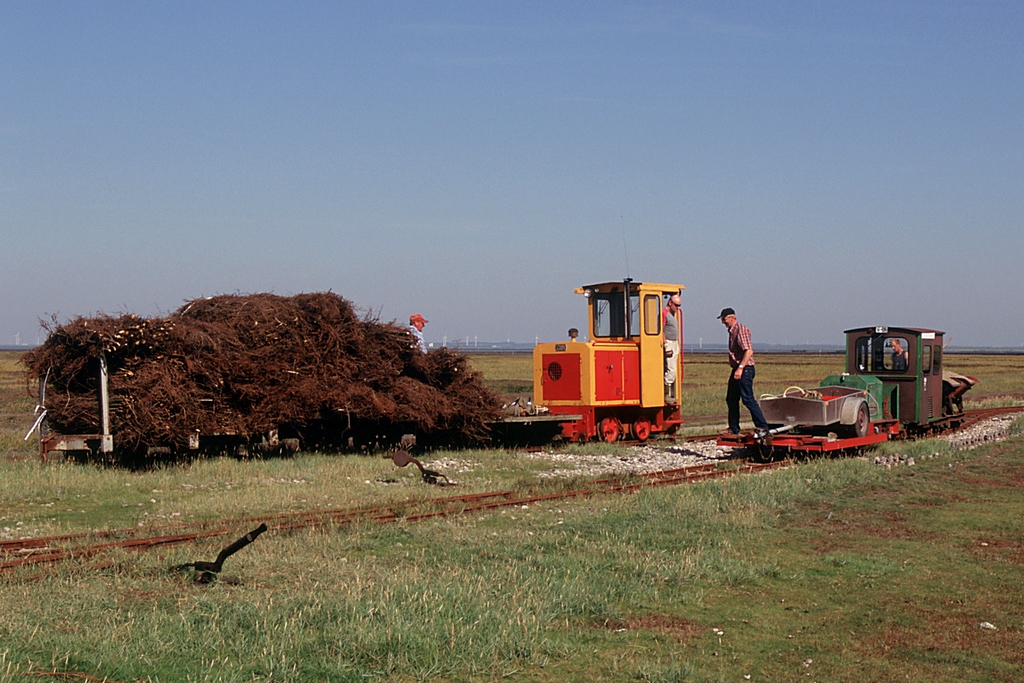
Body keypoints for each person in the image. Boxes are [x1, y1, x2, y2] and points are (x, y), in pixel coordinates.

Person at [719, 308, 769, 435]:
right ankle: (733, 428)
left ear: (732, 318)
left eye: (724, 319)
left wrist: (741, 368)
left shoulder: (740, 330)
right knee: (731, 399)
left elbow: (748, 351)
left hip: (744, 369)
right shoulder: (732, 331)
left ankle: (762, 427)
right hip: (738, 368)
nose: (723, 322)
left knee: (747, 399)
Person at [663, 294, 681, 401]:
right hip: (669, 343)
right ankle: (665, 393)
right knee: (671, 370)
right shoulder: (664, 313)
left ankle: (670, 393)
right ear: (670, 303)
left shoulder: (673, 314)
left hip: (674, 343)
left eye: (679, 305)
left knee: (673, 369)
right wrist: (666, 345)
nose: (678, 308)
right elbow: (661, 329)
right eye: (676, 305)